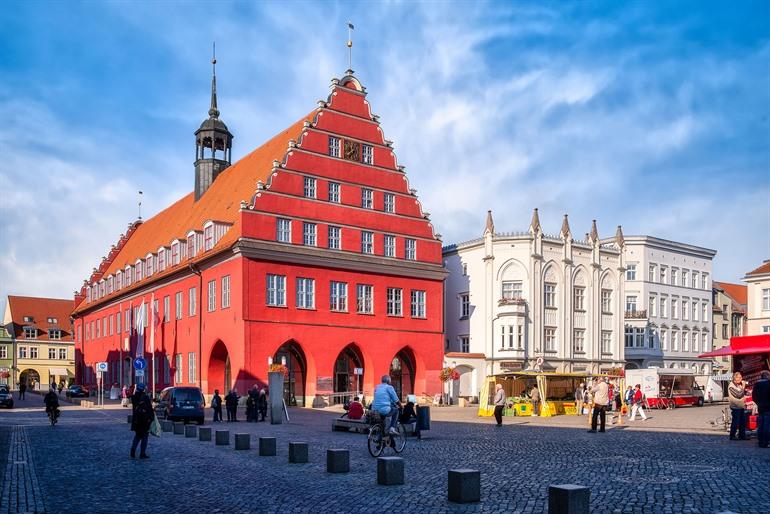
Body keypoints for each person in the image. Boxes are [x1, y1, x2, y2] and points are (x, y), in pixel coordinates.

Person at [130, 383, 153, 459]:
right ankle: (142, 453)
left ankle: (133, 451)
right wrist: (151, 418)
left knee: (137, 436)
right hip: (144, 420)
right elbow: (149, 409)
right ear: (143, 389)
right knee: (145, 437)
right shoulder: (145, 397)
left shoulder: (134, 397)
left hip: (136, 420)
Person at [751, 370, 770, 448]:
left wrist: (758, 403)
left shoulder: (757, 385)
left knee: (761, 425)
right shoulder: (768, 384)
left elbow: (754, 396)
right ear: (767, 376)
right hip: (768, 407)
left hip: (760, 407)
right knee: (767, 425)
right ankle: (766, 441)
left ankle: (760, 441)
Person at [728, 372, 747, 441]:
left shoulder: (739, 385)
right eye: (739, 377)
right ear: (735, 378)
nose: (741, 379)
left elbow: (742, 393)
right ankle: (732, 435)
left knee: (743, 422)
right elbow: (738, 395)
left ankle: (742, 436)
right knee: (735, 422)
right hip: (735, 407)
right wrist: (743, 387)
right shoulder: (731, 386)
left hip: (741, 406)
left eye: (741, 377)